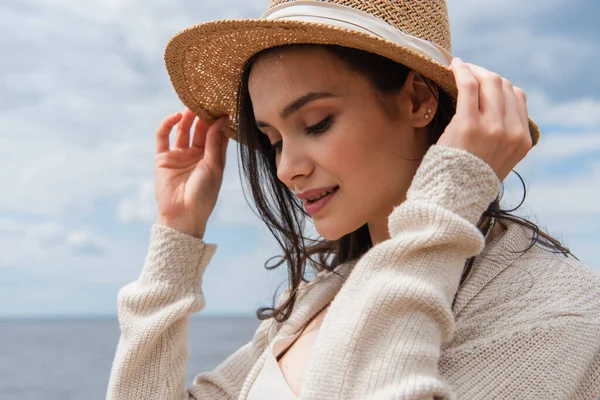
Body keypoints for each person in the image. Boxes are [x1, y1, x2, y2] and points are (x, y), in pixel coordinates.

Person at [106, 0, 600, 399]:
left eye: (317, 123)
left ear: (417, 101)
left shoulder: (555, 312)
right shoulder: (317, 297)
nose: (285, 168)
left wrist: (450, 194)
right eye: (274, 140)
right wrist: (178, 234)